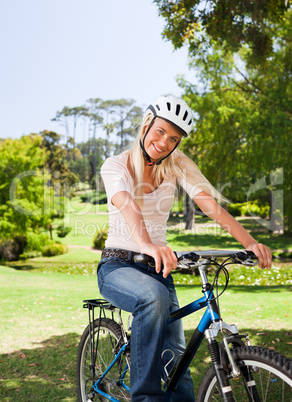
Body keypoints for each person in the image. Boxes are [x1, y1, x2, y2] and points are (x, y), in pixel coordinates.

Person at [97, 95, 272, 401]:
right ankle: (145, 398)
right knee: (153, 297)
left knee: (176, 357)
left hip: (158, 267)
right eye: (160, 131)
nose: (164, 142)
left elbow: (211, 207)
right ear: (146, 125)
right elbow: (125, 202)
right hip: (118, 265)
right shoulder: (115, 165)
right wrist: (147, 244)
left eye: (173, 138)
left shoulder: (176, 165)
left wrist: (250, 243)